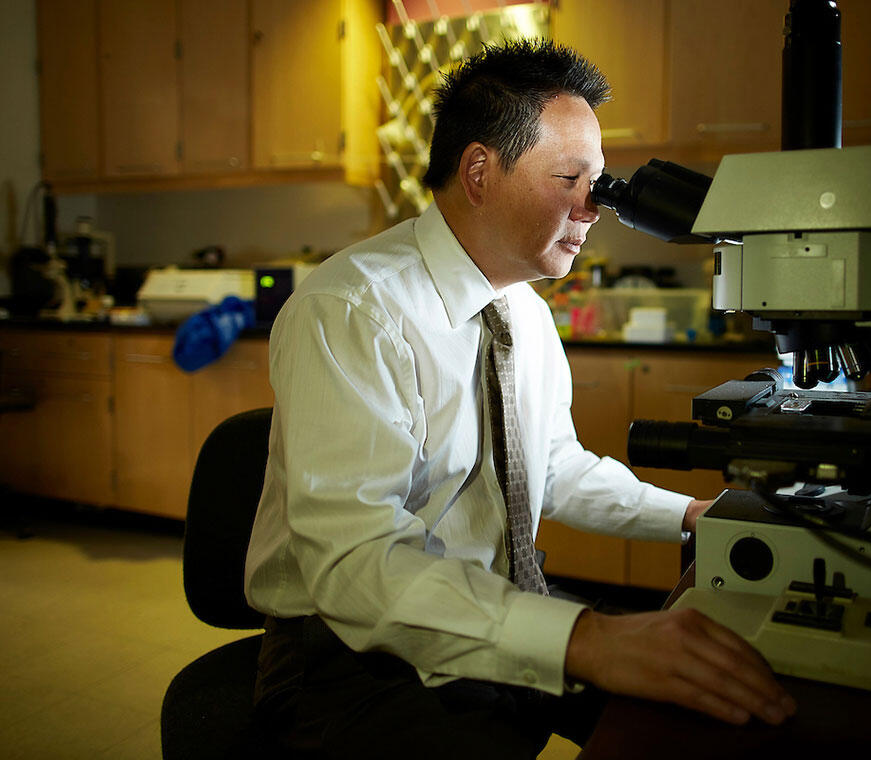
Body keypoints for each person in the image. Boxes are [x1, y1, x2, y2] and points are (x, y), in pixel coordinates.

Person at [244, 39, 795, 758]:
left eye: (599, 182)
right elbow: (355, 565)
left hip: (486, 599)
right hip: (348, 649)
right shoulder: (354, 311)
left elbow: (552, 467)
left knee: (709, 712)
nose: (594, 207)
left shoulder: (524, 309)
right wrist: (589, 640)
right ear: (479, 172)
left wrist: (693, 515)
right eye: (570, 178)